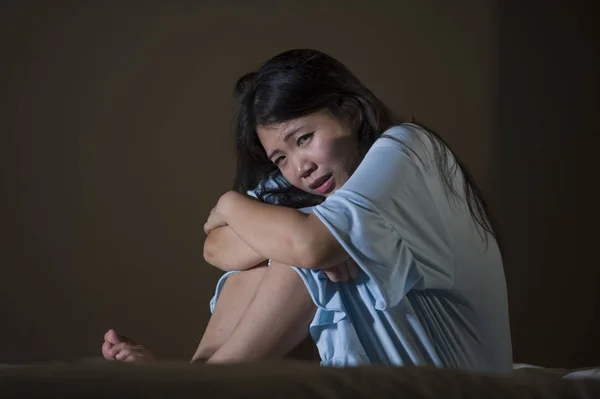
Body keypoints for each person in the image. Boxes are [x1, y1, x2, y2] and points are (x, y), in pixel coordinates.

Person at [102, 49, 512, 372]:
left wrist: (230, 204)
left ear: (349, 114)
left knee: (297, 250)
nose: (299, 167)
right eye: (279, 158)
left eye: (304, 138)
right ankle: (198, 375)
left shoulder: (407, 148)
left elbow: (308, 247)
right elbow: (215, 249)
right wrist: (282, 238)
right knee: (276, 250)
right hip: (376, 374)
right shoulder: (310, 186)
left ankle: (202, 385)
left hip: (452, 378)